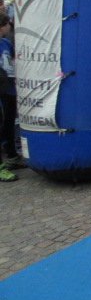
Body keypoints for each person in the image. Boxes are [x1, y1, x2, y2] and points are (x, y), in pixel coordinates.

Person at [0, 14, 25, 182]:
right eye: (7, 24)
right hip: (1, 90)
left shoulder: (6, 43)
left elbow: (15, 60)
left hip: (9, 90)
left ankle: (12, 156)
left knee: (9, 124)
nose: (9, 28)